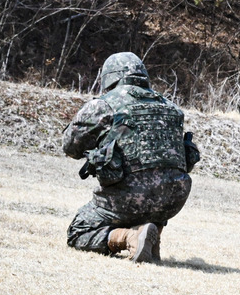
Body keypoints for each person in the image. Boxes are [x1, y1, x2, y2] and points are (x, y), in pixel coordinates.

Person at [62, 52, 199, 262]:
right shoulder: (172, 108)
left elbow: (70, 147)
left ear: (110, 77)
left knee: (79, 231)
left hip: (128, 197)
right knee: (160, 183)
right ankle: (151, 236)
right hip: (173, 199)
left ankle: (130, 238)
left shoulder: (105, 105)